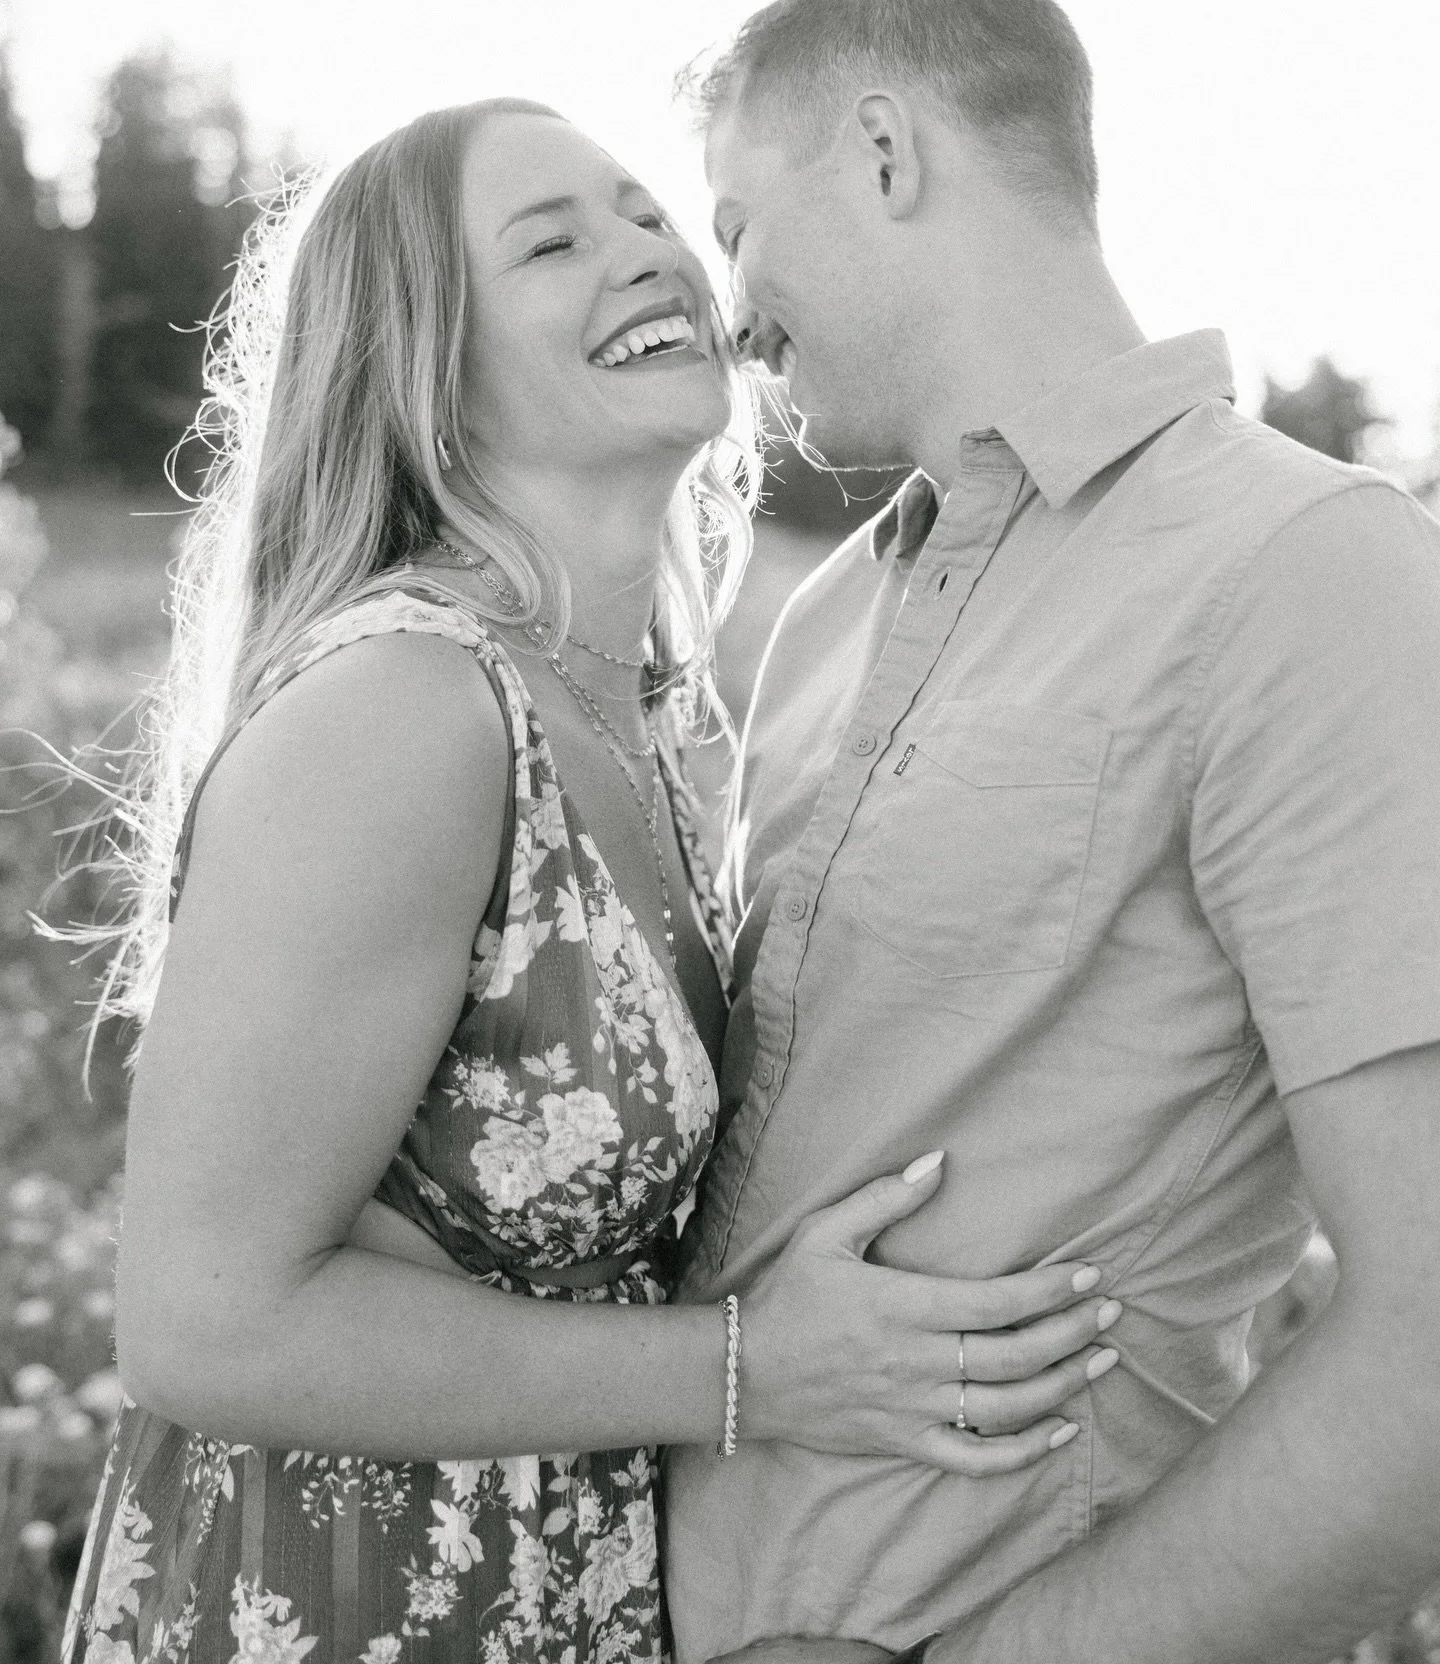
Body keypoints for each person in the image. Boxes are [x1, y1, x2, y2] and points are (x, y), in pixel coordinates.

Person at [62, 98, 1118, 1664]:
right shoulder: (405, 710)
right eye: (553, 242)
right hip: (335, 1610)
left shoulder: (634, 719)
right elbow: (204, 1322)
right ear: (422, 370)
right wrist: (756, 1368)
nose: (649, 257)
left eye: (646, 218)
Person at [663, 0, 1440, 1664]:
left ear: (884, 152)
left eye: (733, 223)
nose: (733, 309)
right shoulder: (822, 616)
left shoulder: (1309, 565)